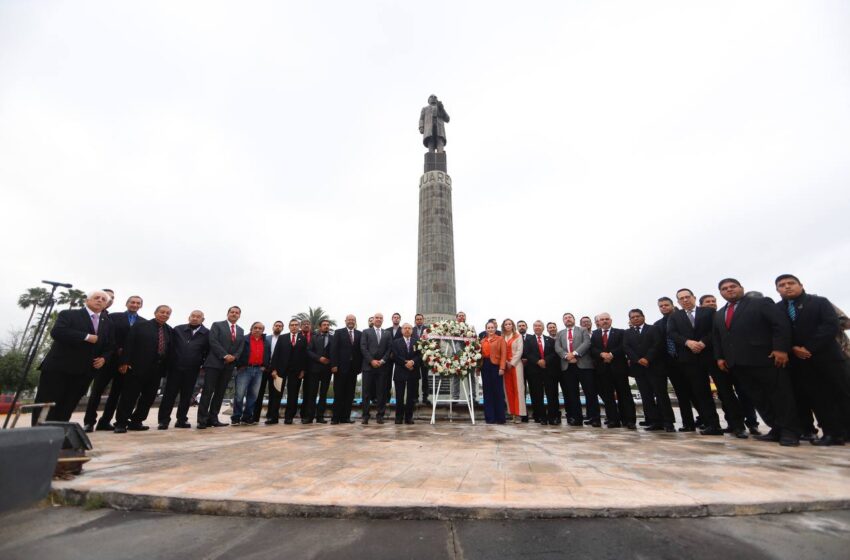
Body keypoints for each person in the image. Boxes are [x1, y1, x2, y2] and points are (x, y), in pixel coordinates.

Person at [712, 278, 800, 446]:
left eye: (732, 286)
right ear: (721, 293)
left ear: (741, 288)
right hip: (738, 364)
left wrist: (781, 349)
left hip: (765, 359)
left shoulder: (760, 303)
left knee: (780, 396)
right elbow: (718, 338)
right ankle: (776, 428)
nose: (729, 290)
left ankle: (790, 431)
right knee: (759, 399)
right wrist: (720, 357)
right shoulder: (719, 314)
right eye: (724, 288)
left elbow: (780, 325)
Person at [775, 274, 850, 446]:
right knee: (819, 399)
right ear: (777, 290)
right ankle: (832, 434)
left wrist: (809, 347)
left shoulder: (819, 302)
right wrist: (793, 347)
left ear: (801, 285)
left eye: (791, 283)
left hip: (828, 357)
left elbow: (830, 325)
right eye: (782, 285)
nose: (787, 287)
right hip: (800, 362)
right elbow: (779, 331)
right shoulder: (777, 308)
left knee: (842, 393)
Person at [669, 288, 747, 438]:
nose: (685, 300)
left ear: (693, 297)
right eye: (681, 298)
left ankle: (738, 426)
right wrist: (687, 342)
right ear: (678, 301)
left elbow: (716, 330)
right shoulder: (675, 316)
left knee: (725, 391)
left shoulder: (709, 312)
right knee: (701, 393)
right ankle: (713, 425)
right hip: (690, 359)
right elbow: (672, 333)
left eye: (687, 297)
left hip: (711, 356)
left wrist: (703, 342)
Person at [32, 290, 114, 425]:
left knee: (68, 405)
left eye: (103, 299)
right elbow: (57, 332)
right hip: (58, 369)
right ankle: (40, 432)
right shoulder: (69, 314)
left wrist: (104, 358)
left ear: (106, 305)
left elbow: (110, 345)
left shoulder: (108, 323)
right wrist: (86, 337)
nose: (100, 300)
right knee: (47, 403)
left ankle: (59, 432)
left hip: (84, 372)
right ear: (87, 301)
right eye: (96, 297)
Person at [83, 294, 144, 432]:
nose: (135, 305)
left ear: (140, 306)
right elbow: (106, 335)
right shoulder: (113, 317)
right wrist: (116, 349)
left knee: (116, 394)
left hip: (125, 363)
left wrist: (127, 358)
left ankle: (105, 421)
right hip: (108, 359)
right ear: (127, 303)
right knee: (97, 391)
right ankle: (89, 422)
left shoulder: (143, 323)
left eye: (138, 303)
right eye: (132, 302)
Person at [114, 305, 173, 432]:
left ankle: (136, 421)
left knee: (149, 398)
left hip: (156, 370)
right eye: (162, 312)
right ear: (155, 313)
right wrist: (124, 362)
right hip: (136, 367)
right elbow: (129, 343)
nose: (164, 315)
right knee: (129, 396)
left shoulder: (169, 330)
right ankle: (121, 423)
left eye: (167, 313)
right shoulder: (141, 325)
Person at [624, 309, 675, 432]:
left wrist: (647, 358)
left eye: (637, 316)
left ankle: (668, 422)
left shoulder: (654, 329)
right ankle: (654, 421)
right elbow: (626, 347)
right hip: (639, 369)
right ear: (630, 319)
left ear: (643, 317)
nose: (635, 318)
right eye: (632, 317)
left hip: (655, 367)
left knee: (661, 395)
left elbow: (657, 344)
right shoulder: (627, 333)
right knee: (646, 396)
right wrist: (637, 359)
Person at [157, 310, 209, 429]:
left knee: (186, 396)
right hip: (175, 368)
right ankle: (163, 421)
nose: (195, 318)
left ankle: (181, 420)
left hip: (192, 369)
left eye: (198, 317)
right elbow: (169, 346)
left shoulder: (207, 333)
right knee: (169, 395)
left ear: (202, 320)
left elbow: (207, 351)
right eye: (193, 316)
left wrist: (202, 364)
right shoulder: (178, 329)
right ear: (189, 317)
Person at [654, 297, 697, 432]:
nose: (664, 307)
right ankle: (688, 423)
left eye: (666, 305)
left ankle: (706, 419)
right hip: (670, 362)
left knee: (697, 391)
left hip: (689, 359)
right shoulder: (658, 324)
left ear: (673, 305)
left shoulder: (684, 317)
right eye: (661, 306)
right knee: (681, 394)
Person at [197, 306, 244, 429]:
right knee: (207, 392)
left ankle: (213, 419)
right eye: (232, 312)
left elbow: (241, 347)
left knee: (220, 393)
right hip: (214, 363)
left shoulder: (240, 330)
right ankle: (202, 420)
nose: (234, 314)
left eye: (237, 313)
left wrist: (234, 357)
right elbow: (213, 341)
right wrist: (224, 355)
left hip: (229, 366)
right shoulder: (217, 325)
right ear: (228, 313)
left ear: (239, 315)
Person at [590, 313, 635, 429]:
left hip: (619, 368)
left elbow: (624, 346)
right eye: (602, 319)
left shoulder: (620, 332)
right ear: (598, 322)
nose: (604, 321)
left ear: (611, 320)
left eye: (606, 319)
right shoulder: (595, 334)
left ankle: (629, 420)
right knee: (608, 396)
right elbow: (592, 348)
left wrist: (611, 354)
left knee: (624, 395)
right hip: (603, 369)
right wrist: (601, 354)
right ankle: (613, 420)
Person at [556, 313, 599, 427]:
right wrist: (567, 356)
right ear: (563, 321)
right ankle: (577, 419)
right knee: (572, 394)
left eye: (570, 317)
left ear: (574, 319)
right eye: (565, 318)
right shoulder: (560, 333)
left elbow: (587, 343)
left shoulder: (583, 330)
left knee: (590, 392)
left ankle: (595, 418)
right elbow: (557, 347)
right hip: (568, 366)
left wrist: (575, 354)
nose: (568, 319)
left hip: (584, 365)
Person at [271, 319, 308, 424]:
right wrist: (274, 369)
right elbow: (276, 353)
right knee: (277, 394)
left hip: (296, 371)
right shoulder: (282, 337)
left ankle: (289, 417)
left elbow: (304, 356)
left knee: (293, 394)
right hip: (280, 370)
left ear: (299, 327)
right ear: (289, 326)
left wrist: (303, 370)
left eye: (296, 325)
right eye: (292, 325)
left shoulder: (303, 339)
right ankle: (273, 418)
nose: (294, 327)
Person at [232, 322, 268, 426]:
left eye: (260, 328)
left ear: (263, 331)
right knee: (239, 395)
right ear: (251, 329)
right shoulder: (243, 339)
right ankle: (236, 417)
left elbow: (268, 354)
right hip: (244, 369)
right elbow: (237, 352)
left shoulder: (265, 341)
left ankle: (247, 417)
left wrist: (265, 365)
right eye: (255, 328)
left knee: (253, 396)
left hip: (258, 371)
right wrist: (239, 365)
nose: (257, 330)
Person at [360, 312, 393, 424]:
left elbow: (389, 349)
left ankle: (380, 416)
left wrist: (382, 360)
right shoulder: (366, 332)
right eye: (377, 318)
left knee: (381, 392)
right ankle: (365, 416)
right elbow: (363, 348)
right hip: (368, 367)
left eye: (380, 318)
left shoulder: (387, 333)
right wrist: (371, 360)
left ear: (383, 320)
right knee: (366, 392)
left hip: (382, 367)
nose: (378, 319)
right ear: (373, 320)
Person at [525, 320, 559, 425]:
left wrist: (545, 361)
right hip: (534, 371)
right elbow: (527, 353)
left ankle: (553, 417)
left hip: (549, 371)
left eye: (539, 326)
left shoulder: (550, 340)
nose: (537, 327)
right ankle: (541, 417)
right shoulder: (528, 340)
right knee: (536, 395)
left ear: (543, 328)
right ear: (533, 328)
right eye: (535, 326)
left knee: (552, 394)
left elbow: (554, 353)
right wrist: (537, 361)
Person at [330, 314, 362, 424]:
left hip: (353, 369)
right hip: (340, 368)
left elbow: (360, 352)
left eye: (353, 320)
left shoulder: (359, 334)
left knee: (350, 394)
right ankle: (335, 418)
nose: (351, 321)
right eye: (349, 320)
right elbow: (334, 349)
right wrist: (334, 365)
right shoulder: (339, 332)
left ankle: (345, 417)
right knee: (338, 393)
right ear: (345, 321)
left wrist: (359, 368)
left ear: (355, 321)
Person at [253, 320, 284, 423]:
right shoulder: (266, 338)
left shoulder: (284, 340)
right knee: (259, 393)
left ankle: (271, 416)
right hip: (263, 369)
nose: (278, 327)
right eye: (276, 325)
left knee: (274, 394)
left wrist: (277, 369)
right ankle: (255, 417)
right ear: (273, 327)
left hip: (277, 371)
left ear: (282, 328)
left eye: (280, 326)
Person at [304, 319, 333, 423]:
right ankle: (309, 417)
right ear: (320, 327)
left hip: (327, 369)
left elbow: (335, 352)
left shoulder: (333, 338)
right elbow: (308, 351)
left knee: (323, 394)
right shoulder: (314, 337)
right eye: (324, 325)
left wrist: (332, 364)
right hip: (314, 369)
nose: (326, 326)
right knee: (312, 393)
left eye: (328, 325)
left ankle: (320, 417)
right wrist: (319, 358)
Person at [392, 323, 422, 424]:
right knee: (399, 396)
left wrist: (412, 362)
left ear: (412, 331)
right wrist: (405, 363)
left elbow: (419, 355)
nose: (407, 330)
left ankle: (409, 417)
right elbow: (395, 356)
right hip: (400, 371)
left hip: (413, 371)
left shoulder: (417, 342)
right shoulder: (396, 342)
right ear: (402, 330)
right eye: (405, 328)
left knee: (411, 397)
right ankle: (398, 417)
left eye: (409, 328)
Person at [479, 321, 507, 424]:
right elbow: (479, 356)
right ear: (486, 329)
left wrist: (502, 368)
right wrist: (478, 368)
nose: (490, 329)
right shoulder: (482, 341)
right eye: (488, 328)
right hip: (485, 366)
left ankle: (500, 418)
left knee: (498, 392)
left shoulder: (500, 339)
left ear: (495, 328)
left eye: (492, 327)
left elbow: (504, 354)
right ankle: (490, 418)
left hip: (496, 366)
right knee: (487, 392)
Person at [501, 319, 526, 423]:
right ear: (503, 326)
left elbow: (520, 351)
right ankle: (512, 413)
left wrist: (511, 363)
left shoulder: (518, 336)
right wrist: (505, 362)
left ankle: (519, 414)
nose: (508, 326)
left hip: (516, 365)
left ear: (512, 325)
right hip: (505, 365)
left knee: (518, 389)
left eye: (509, 324)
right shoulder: (502, 337)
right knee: (508, 390)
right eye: (506, 324)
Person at [413, 313, 431, 405]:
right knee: (415, 377)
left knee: (425, 378)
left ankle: (425, 397)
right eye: (417, 319)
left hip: (425, 357)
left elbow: (431, 341)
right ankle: (415, 397)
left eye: (420, 319)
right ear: (415, 321)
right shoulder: (412, 329)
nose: (419, 321)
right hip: (415, 356)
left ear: (423, 320)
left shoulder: (427, 330)